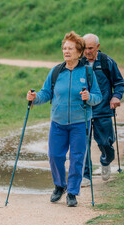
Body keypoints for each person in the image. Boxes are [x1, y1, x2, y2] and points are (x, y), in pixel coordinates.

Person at [27, 31, 102, 207]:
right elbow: (46, 93)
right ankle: (60, 186)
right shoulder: (56, 71)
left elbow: (98, 96)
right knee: (55, 155)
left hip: (79, 123)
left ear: (79, 51)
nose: (66, 51)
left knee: (77, 158)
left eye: (70, 48)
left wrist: (89, 97)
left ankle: (73, 193)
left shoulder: (88, 73)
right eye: (64, 48)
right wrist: (35, 97)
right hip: (58, 123)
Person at [81, 33, 124, 187]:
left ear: (97, 47)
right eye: (85, 48)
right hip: (83, 111)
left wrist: (116, 97)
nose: (87, 51)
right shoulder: (79, 62)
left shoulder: (107, 62)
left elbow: (119, 82)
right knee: (82, 143)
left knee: (105, 143)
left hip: (103, 109)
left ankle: (106, 161)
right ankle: (85, 175)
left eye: (90, 48)